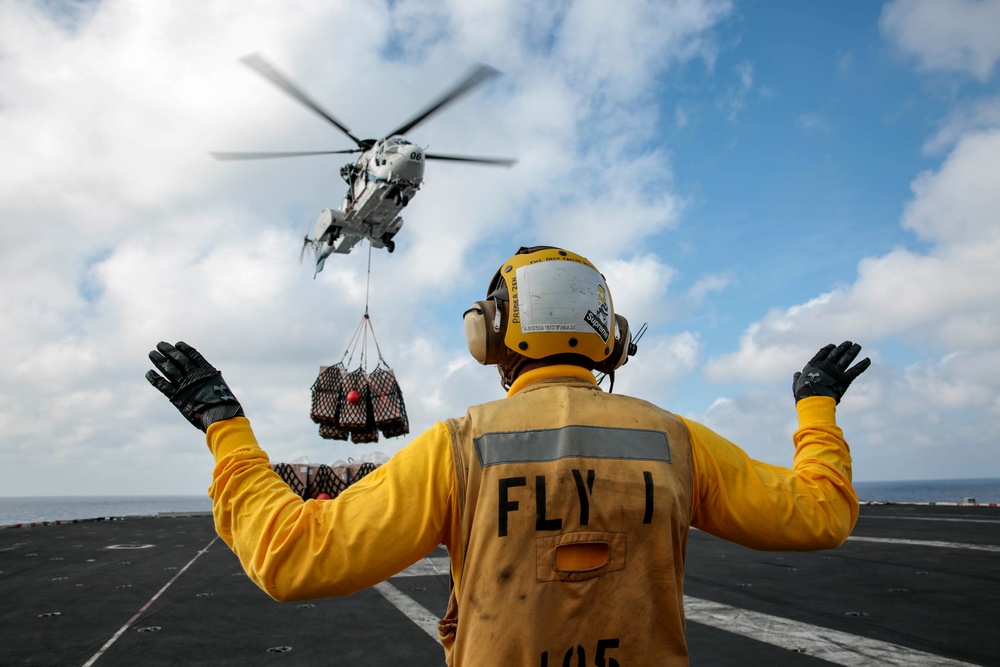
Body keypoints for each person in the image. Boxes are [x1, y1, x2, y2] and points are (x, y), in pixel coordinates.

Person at [146, 245, 870, 666]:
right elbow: (819, 516)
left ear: (490, 335)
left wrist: (226, 427)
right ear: (610, 337)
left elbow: (291, 557)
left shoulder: (460, 447)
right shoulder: (676, 440)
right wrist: (815, 405)